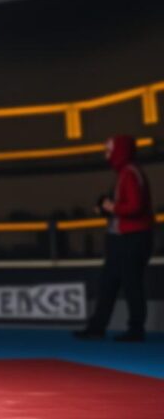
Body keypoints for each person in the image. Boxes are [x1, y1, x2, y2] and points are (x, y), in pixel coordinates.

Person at [74, 135, 154, 342]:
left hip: (133, 238)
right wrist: (106, 209)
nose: (106, 155)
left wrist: (112, 207)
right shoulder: (124, 174)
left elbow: (135, 207)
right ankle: (97, 327)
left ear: (120, 151)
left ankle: (135, 329)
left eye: (110, 150)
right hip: (122, 238)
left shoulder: (130, 173)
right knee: (108, 283)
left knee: (131, 284)